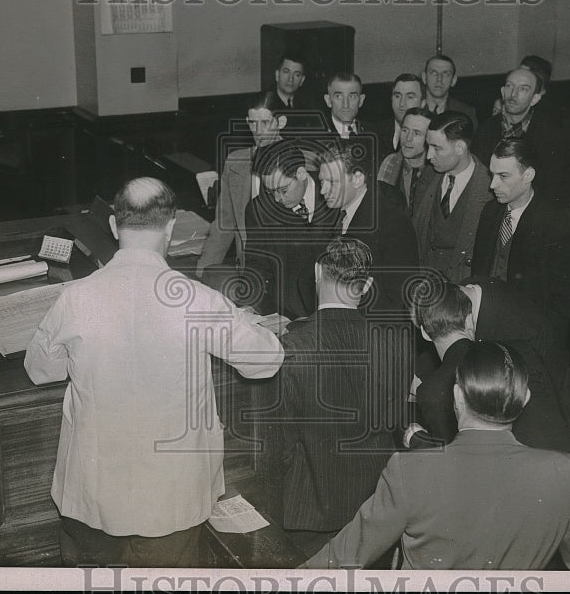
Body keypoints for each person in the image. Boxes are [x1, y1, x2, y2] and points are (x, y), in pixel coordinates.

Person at [24, 177, 283, 567]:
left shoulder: (76, 297)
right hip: (171, 500)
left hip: (93, 495)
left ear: (113, 226)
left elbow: (40, 370)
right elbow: (267, 359)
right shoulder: (198, 299)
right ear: (171, 226)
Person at [303, 340, 570, 571]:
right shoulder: (566, 473)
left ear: (456, 395)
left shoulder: (409, 472)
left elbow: (337, 562)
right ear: (525, 399)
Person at [404, 277, 570, 567]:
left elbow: (464, 466)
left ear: (424, 332)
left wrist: (417, 440)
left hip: (552, 527)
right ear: (470, 319)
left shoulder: (437, 390)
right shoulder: (522, 352)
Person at [257, 237, 403, 556]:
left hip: (308, 511)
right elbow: (391, 425)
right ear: (366, 286)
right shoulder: (392, 344)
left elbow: (277, 444)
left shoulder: (293, 348)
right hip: (375, 508)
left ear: (316, 273)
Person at [471, 138, 570, 407]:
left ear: (528, 175)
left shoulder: (556, 223)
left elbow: (563, 301)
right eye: (491, 174)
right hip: (488, 338)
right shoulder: (490, 212)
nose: (492, 184)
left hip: (531, 347)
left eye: (503, 176)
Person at [318, 141, 419, 318]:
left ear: (357, 178)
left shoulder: (393, 222)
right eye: (321, 181)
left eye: (332, 182)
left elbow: (399, 300)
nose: (323, 190)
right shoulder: (332, 214)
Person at [244, 141, 339, 319]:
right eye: (271, 191)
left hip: (335, 309)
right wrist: (251, 304)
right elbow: (256, 265)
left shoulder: (335, 194)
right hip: (288, 314)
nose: (278, 199)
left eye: (283, 189)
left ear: (301, 173)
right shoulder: (259, 210)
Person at [196, 91, 287, 276]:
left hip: (287, 271)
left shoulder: (302, 162)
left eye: (265, 123)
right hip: (248, 270)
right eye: (253, 123)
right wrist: (202, 276)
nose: (258, 131)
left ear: (281, 122)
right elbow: (223, 226)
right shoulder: (236, 163)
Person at [411, 110, 491, 283]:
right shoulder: (428, 176)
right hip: (423, 286)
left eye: (437, 148)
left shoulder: (489, 188)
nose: (429, 156)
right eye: (428, 146)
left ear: (460, 148)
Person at [471, 67, 570, 205]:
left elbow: (551, 187)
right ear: (502, 91)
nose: (513, 93)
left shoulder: (552, 135)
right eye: (509, 86)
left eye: (523, 89)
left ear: (534, 99)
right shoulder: (485, 129)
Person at [371, 73, 425, 160]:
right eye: (397, 96)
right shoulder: (374, 132)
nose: (402, 103)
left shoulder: (430, 137)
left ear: (423, 103)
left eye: (410, 97)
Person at [422, 54, 477, 127]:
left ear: (453, 80)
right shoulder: (413, 106)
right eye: (434, 73)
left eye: (446, 74)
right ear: (424, 77)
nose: (439, 79)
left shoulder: (465, 113)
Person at [322, 71, 369, 140]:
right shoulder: (316, 138)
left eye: (352, 96)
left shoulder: (373, 133)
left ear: (361, 101)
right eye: (338, 96)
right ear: (328, 100)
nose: (346, 105)